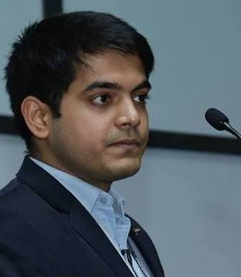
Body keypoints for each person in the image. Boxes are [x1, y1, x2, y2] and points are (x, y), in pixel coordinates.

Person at [0, 11, 165, 277]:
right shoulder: (10, 229)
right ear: (39, 117)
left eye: (140, 97)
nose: (132, 117)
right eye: (102, 98)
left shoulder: (132, 234)